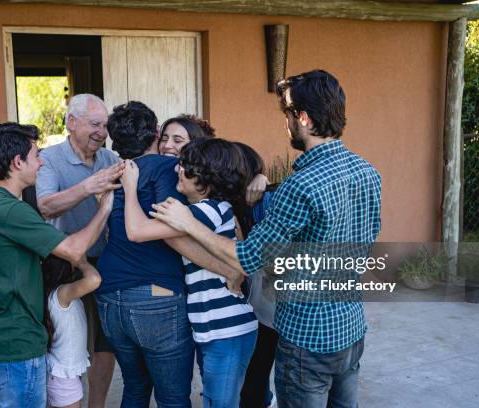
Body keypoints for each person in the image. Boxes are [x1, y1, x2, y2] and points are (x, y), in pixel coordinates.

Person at [151, 69, 382, 408]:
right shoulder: (367, 171)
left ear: (303, 118)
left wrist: (189, 223)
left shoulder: (299, 186)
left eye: (287, 115)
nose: (285, 124)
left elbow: (249, 258)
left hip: (308, 338)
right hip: (351, 327)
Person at [0, 122, 113, 408]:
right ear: (17, 162)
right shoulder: (13, 212)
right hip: (18, 344)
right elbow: (74, 251)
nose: (41, 163)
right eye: (36, 155)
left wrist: (2, 287)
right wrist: (105, 208)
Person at [122, 138, 259, 407]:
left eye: (185, 166)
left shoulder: (204, 210)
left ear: (205, 180)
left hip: (226, 331)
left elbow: (136, 231)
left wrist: (129, 189)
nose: (177, 169)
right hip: (217, 330)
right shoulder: (212, 209)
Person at [95, 101, 195, 407]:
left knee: (136, 386)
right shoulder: (166, 168)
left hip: (109, 295)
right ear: (155, 132)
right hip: (156, 295)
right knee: (173, 397)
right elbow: (174, 224)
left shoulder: (116, 172)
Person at [36, 93, 123, 408]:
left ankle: (95, 405)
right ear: (71, 123)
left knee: (105, 343)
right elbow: (45, 205)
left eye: (105, 125)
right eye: (95, 124)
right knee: (66, 344)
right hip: (65, 264)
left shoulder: (110, 158)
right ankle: (65, 399)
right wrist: (89, 186)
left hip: (105, 261)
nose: (102, 132)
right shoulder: (50, 159)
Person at [235, 142, 279, 408]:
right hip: (246, 296)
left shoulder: (267, 198)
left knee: (257, 366)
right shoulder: (220, 198)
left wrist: (265, 180)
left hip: (263, 298)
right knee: (254, 366)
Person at [42, 252, 108, 408]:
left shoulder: (55, 293)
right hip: (64, 379)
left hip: (64, 377)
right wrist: (83, 262)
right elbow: (94, 280)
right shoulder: (62, 293)